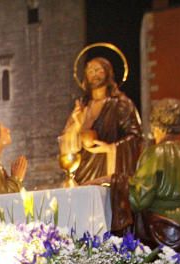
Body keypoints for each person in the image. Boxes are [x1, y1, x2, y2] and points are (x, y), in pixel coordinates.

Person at [124, 98, 180, 264]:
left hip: (166, 227)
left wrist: (122, 184)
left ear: (156, 125)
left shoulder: (155, 154)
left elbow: (139, 200)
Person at [59, 56, 143, 185]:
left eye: (98, 70)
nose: (94, 74)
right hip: (83, 171)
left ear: (108, 73)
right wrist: (76, 124)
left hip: (108, 169)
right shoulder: (82, 107)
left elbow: (135, 137)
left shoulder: (121, 104)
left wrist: (110, 148)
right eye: (90, 71)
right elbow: (66, 147)